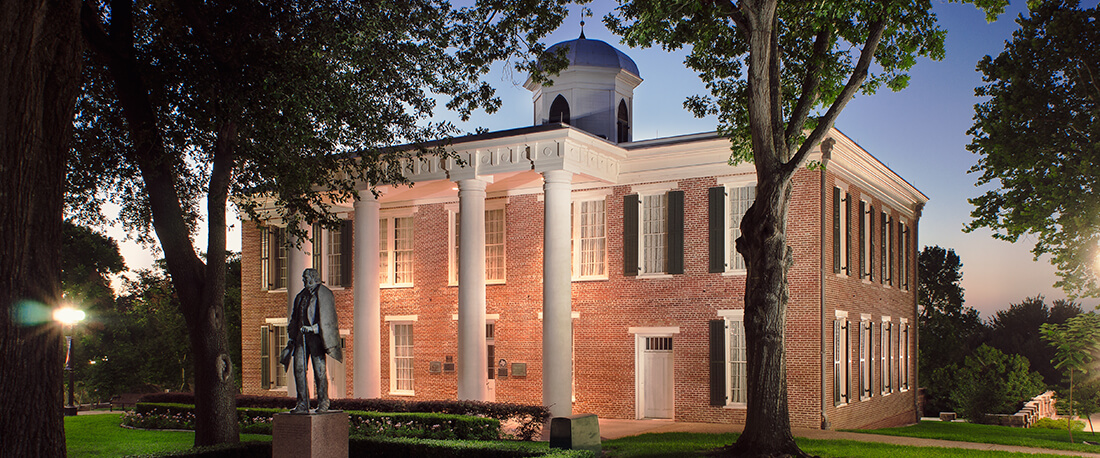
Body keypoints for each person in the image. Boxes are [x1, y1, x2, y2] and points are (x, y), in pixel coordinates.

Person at [286, 268, 342, 413]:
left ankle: (323, 402)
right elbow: (294, 318)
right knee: (298, 369)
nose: (303, 280)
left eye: (305, 277)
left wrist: (313, 329)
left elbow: (329, 320)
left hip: (316, 338)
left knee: (319, 371)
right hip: (300, 338)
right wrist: (292, 337)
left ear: (312, 277)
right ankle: (302, 404)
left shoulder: (324, 294)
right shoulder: (300, 296)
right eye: (303, 278)